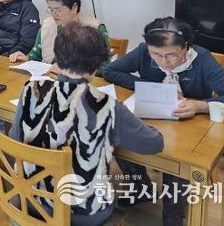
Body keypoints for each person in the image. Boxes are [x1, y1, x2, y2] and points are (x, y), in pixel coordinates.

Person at [9, 23, 164, 226]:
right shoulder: (108, 106)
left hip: (30, 198)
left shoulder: (31, 90)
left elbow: (15, 138)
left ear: (58, 56)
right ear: (98, 63)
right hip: (83, 213)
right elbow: (154, 143)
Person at [103, 16, 224, 226]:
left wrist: (199, 105)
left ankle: (173, 218)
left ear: (186, 48)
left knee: (177, 165)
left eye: (171, 55)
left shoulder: (201, 60)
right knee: (119, 134)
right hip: (150, 116)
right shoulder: (143, 51)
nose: (163, 62)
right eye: (156, 55)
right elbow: (110, 71)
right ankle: (141, 189)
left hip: (189, 126)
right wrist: (152, 88)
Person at [9, 0, 111, 75]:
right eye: (50, 9)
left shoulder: (94, 28)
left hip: (81, 83)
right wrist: (26, 58)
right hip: (49, 79)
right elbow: (36, 54)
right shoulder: (48, 25)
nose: (54, 14)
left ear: (74, 8)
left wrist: (69, 70)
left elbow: (104, 67)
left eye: (58, 10)